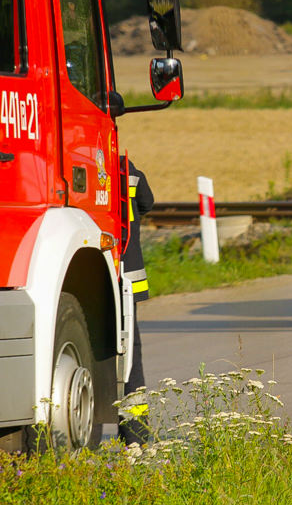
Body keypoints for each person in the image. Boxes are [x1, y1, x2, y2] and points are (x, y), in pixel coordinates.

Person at [118, 156, 154, 445]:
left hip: (103, 276)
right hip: (129, 277)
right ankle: (136, 435)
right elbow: (147, 203)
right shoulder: (129, 170)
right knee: (131, 357)